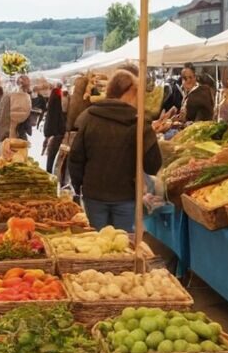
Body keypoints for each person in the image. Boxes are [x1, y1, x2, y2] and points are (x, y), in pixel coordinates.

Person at [68, 69, 162, 232]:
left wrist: (78, 186)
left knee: (96, 242)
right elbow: (153, 164)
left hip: (93, 193)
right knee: (122, 242)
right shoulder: (139, 123)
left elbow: (76, 157)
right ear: (130, 91)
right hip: (125, 195)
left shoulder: (89, 116)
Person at [0, 74, 33, 142]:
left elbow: (1, 115)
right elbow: (27, 113)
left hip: (8, 130)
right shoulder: (27, 97)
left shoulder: (8, 96)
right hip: (19, 131)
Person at [43, 81, 67, 174]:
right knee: (53, 154)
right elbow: (57, 117)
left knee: (51, 154)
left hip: (51, 131)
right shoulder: (57, 98)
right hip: (56, 132)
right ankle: (50, 172)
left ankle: (48, 171)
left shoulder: (52, 100)